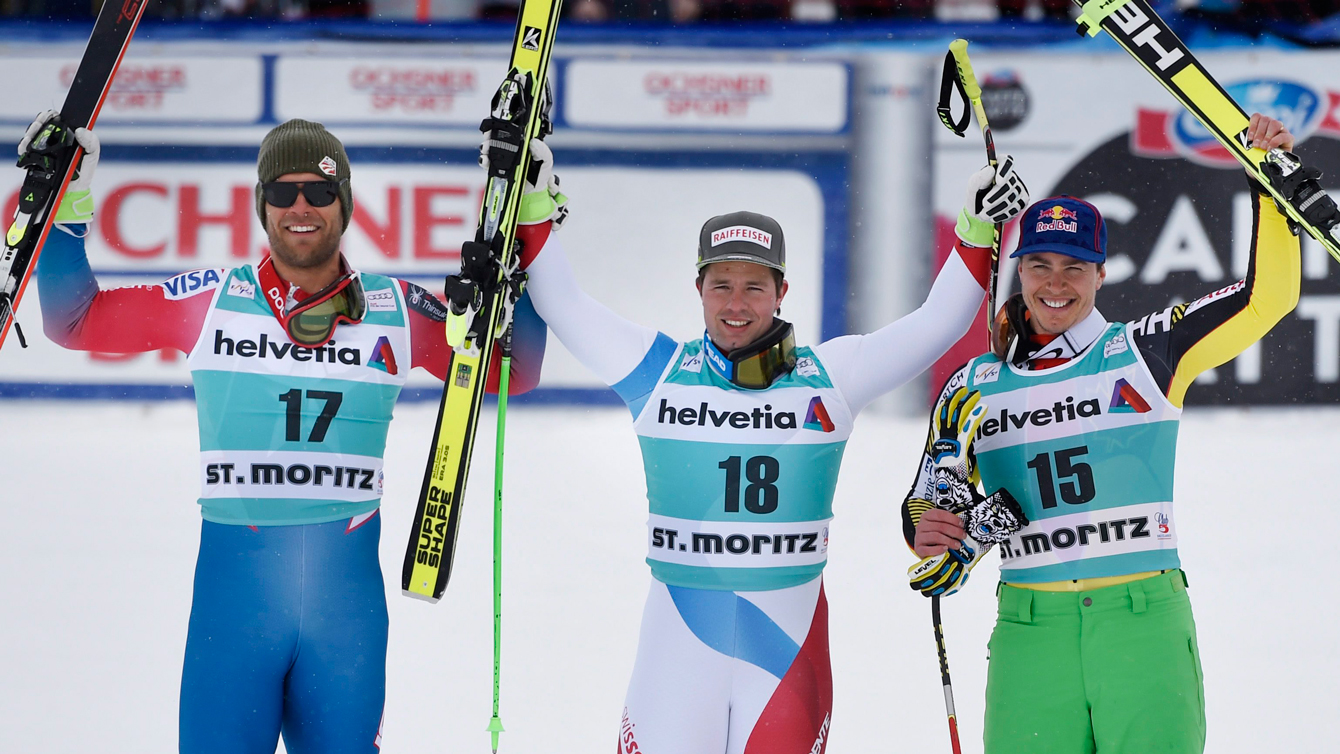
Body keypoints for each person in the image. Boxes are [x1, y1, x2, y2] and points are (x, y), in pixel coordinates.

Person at [27, 113, 546, 754]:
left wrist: (530, 222)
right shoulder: (211, 300)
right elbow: (75, 321)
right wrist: (63, 204)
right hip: (233, 618)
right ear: (261, 206)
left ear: (345, 204)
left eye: (320, 192)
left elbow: (513, 371)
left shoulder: (397, 308)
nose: (301, 208)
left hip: (345, 622)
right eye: (282, 193)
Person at [509, 139, 1029, 753]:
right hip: (676, 651)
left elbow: (936, 325)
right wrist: (535, 206)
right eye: (721, 284)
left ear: (782, 291)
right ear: (697, 288)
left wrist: (976, 229)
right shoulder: (658, 371)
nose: (736, 304)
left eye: (754, 286)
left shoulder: (832, 376)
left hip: (787, 650)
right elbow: (565, 305)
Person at [901, 114, 1300, 753]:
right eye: (1039, 266)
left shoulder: (1146, 350)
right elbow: (925, 505)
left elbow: (1265, 298)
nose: (1056, 284)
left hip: (1141, 621)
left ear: (1102, 273)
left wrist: (1267, 181)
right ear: (1018, 270)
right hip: (1031, 629)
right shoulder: (973, 383)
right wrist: (942, 536)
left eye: (1075, 267)